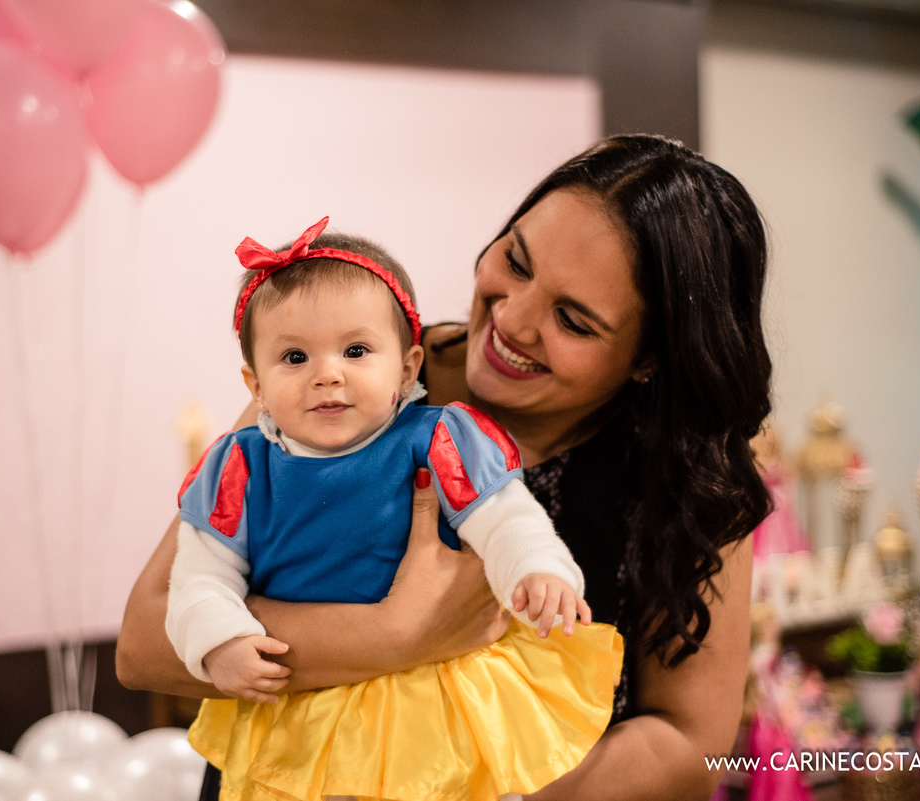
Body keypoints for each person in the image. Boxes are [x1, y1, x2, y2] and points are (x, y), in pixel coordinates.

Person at [117, 134, 771, 801]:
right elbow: (144, 642)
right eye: (515, 260)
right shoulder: (352, 380)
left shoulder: (691, 479)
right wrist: (394, 634)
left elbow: (691, 744)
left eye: (572, 319)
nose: (511, 318)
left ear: (649, 358)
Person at [168, 216, 621, 800]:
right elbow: (198, 578)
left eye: (356, 350)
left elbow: (506, 517)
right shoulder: (239, 467)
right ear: (255, 386)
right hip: (306, 698)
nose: (327, 374)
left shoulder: (438, 439)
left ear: (406, 369)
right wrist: (219, 640)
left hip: (428, 692)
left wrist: (537, 570)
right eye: (295, 358)